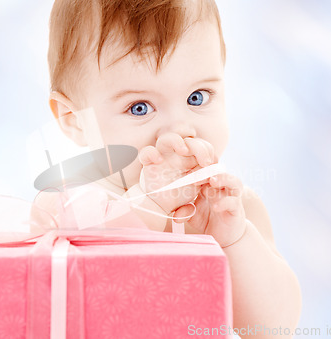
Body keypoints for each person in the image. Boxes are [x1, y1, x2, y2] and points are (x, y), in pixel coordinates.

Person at [35, 0, 302, 337]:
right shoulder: (67, 203)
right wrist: (151, 205)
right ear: (75, 121)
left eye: (198, 97)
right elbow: (96, 286)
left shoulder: (234, 209)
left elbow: (273, 328)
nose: (178, 130)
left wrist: (234, 241)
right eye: (140, 107)